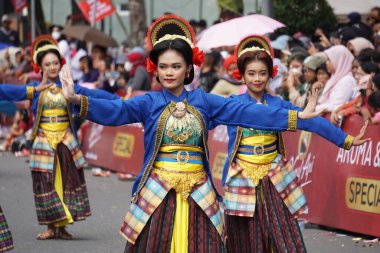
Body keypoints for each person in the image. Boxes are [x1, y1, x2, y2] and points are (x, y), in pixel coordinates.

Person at [60, 15, 367, 253]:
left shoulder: (205, 102)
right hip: (158, 188)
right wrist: (77, 99)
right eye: (164, 66)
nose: (169, 72)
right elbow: (117, 110)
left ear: (188, 69)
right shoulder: (148, 102)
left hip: (199, 190)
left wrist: (297, 117)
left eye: (176, 66)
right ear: (155, 69)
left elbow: (252, 113)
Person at [223, 35, 369, 252]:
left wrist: (346, 140)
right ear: (242, 76)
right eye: (251, 73)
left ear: (270, 75)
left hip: (274, 178)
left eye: (262, 73)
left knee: (284, 235)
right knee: (246, 241)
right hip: (242, 179)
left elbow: (312, 122)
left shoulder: (277, 104)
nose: (257, 78)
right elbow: (228, 150)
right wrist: (224, 190)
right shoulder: (232, 105)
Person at [0, 35, 119, 240]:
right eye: (48, 64)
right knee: (45, 184)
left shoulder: (69, 87)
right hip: (43, 142)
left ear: (61, 64)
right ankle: (49, 226)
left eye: (55, 63)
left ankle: (62, 227)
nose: (53, 67)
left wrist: (120, 100)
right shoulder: (36, 90)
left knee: (65, 183)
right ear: (41, 68)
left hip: (65, 141)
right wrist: (33, 89)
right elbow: (4, 91)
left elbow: (96, 95)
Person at [316, 45, 357, 113]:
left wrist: (315, 109)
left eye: (329, 60)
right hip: (322, 116)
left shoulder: (348, 80)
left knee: (295, 117)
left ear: (339, 61)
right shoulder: (334, 78)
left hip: (330, 120)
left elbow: (337, 105)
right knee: (294, 115)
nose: (326, 63)